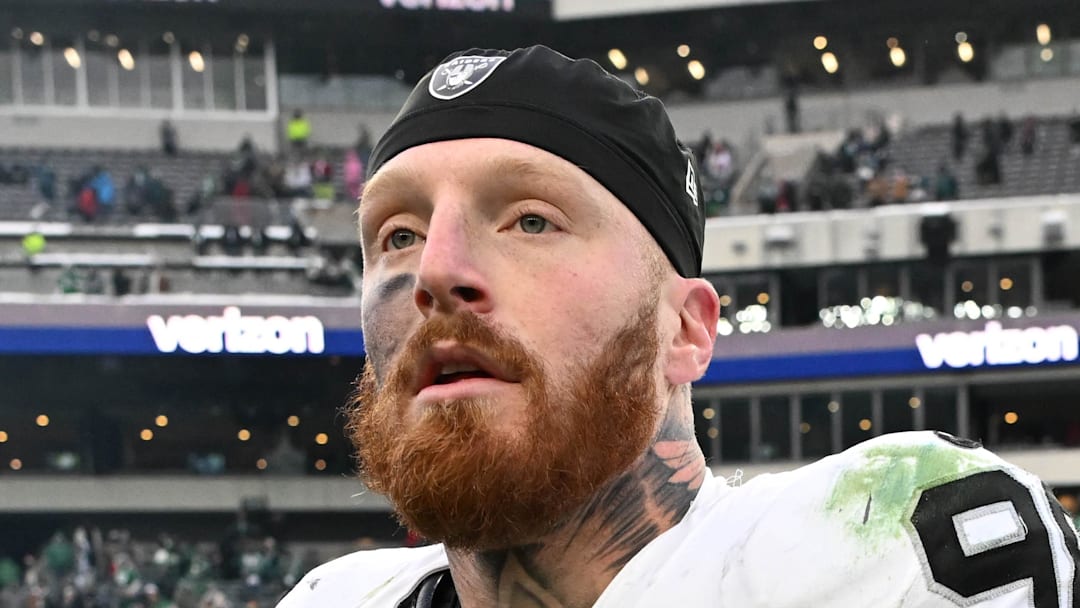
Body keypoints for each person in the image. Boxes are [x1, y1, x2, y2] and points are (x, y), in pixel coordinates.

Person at [278, 45, 1079, 608]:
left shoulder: (886, 549)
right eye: (398, 235)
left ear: (686, 331)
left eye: (530, 221)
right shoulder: (330, 597)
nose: (435, 271)